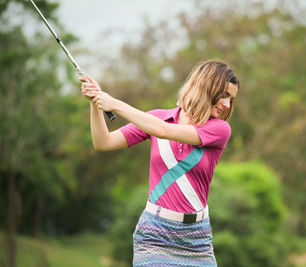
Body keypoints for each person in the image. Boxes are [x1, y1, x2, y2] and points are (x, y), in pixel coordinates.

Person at [80, 59, 239, 266]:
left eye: (231, 99)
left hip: (196, 240)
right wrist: (96, 103)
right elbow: (104, 142)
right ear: (206, 87)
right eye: (224, 95)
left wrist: (114, 103)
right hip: (154, 235)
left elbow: (162, 131)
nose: (227, 104)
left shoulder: (219, 129)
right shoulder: (156, 118)